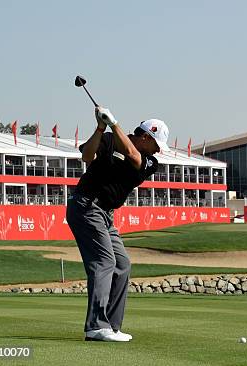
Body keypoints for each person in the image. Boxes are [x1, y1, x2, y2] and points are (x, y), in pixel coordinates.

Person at [66, 107, 168, 342]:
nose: (158, 151)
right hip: (86, 206)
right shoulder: (109, 139)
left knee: (122, 264)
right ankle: (95, 326)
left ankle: (110, 326)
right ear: (146, 137)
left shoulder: (150, 163)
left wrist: (113, 123)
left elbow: (133, 155)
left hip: (105, 214)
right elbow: (87, 156)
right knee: (104, 261)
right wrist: (101, 128)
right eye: (156, 145)